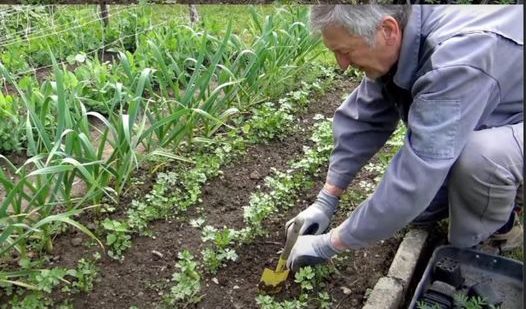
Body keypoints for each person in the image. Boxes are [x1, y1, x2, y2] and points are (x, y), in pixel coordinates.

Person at [286, 4, 523, 272]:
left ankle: (497, 233)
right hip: (509, 98)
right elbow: (364, 117)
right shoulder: (402, 37)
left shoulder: (454, 61)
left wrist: (330, 244)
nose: (342, 64)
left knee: (481, 158)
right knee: (417, 210)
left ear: (388, 30)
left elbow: (417, 175)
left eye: (345, 51)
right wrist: (327, 199)